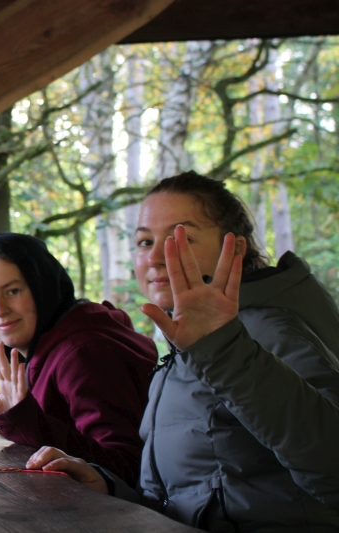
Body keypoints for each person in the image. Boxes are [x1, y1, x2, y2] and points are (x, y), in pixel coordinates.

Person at [28, 172, 339, 532]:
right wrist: (108, 489)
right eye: (145, 241)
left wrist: (223, 348)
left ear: (236, 249)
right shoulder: (191, 340)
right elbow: (193, 493)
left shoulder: (268, 331)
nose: (156, 257)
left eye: (181, 238)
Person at [0, 233, 157, 487]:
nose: (0, 310)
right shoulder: (50, 342)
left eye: (12, 291)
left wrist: (23, 419)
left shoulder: (83, 353)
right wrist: (6, 409)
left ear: (41, 285)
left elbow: (125, 468)